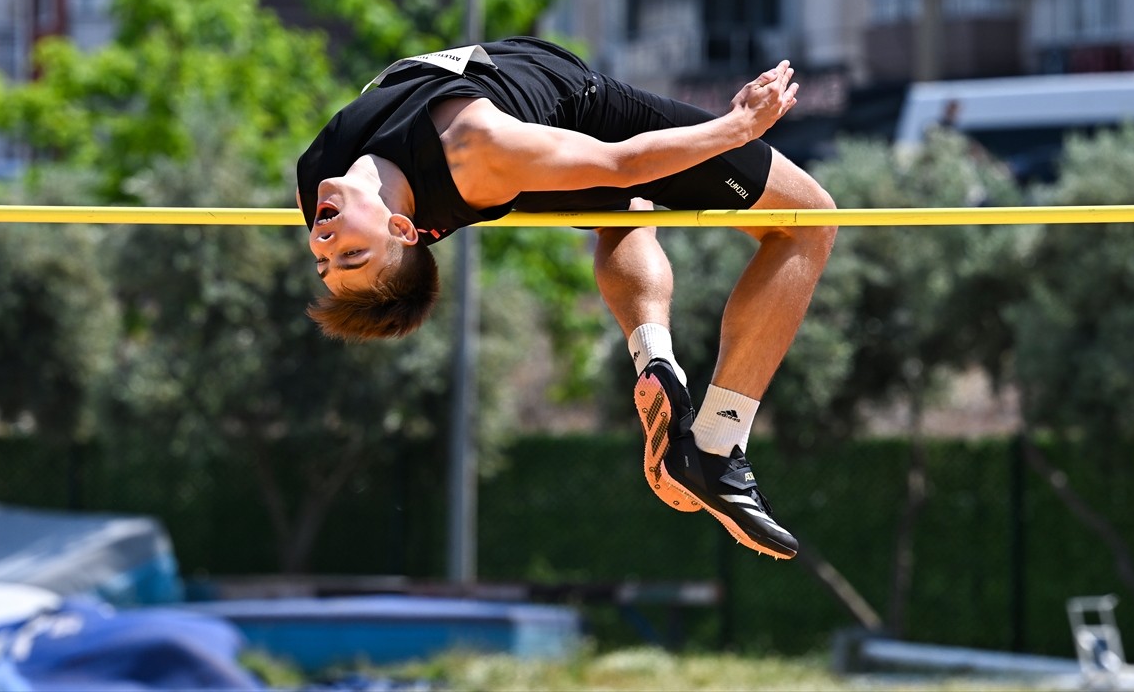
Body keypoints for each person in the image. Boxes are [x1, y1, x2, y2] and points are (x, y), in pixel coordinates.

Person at [296, 37, 836, 560]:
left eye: (327, 263)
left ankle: (657, 360)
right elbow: (620, 163)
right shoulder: (474, 147)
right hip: (580, 124)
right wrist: (737, 126)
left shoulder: (313, 182)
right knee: (808, 220)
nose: (324, 245)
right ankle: (718, 442)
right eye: (351, 256)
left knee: (626, 214)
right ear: (401, 229)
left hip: (522, 155)